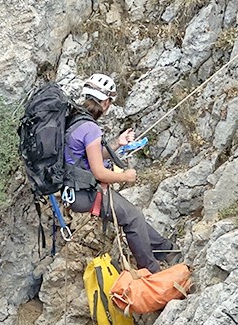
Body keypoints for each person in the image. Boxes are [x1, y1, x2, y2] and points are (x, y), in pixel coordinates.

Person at [64, 73, 178, 273]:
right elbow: (99, 172)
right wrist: (126, 176)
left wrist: (117, 143)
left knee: (131, 215)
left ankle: (167, 251)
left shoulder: (75, 119)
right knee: (133, 217)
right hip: (85, 193)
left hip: (76, 190)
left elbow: (91, 156)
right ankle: (152, 271)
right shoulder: (90, 128)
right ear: (106, 102)